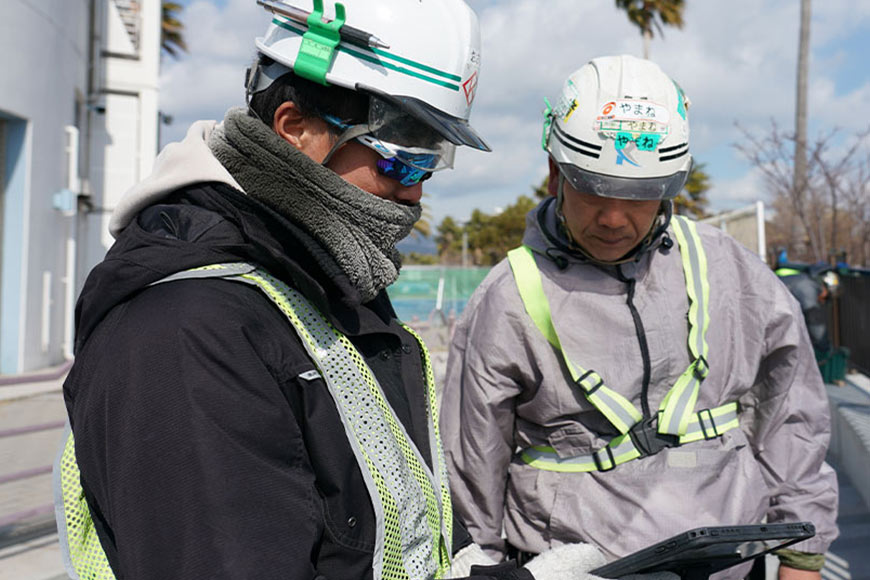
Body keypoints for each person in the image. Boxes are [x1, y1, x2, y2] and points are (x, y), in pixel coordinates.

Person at [52, 2, 617, 579]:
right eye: (402, 161)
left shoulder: (324, 287)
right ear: (296, 128)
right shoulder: (187, 333)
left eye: (430, 165)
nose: (416, 194)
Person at [440, 55, 839, 580]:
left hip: (729, 562)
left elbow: (791, 408)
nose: (613, 218)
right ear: (556, 173)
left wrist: (802, 553)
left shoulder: (726, 268)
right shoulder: (508, 298)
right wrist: (479, 562)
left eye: (640, 195)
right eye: (593, 188)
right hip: (579, 566)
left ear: (670, 187)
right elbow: (472, 458)